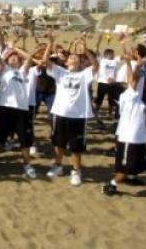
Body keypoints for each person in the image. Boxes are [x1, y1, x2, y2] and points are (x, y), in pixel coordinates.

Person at [43, 33, 99, 186]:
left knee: (76, 147)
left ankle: (76, 171)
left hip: (79, 115)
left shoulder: (84, 74)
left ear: (80, 63)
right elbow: (45, 61)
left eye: (77, 58)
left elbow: (95, 65)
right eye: (71, 58)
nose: (74, 59)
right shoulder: (60, 72)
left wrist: (86, 50)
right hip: (61, 113)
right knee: (59, 143)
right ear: (66, 62)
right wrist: (51, 43)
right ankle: (58, 166)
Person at [103, 45, 146, 196]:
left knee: (137, 161)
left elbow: (133, 78)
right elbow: (133, 79)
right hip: (130, 135)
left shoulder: (131, 93)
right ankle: (112, 184)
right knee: (127, 163)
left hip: (136, 133)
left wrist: (133, 62)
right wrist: (133, 62)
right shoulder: (130, 95)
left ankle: (131, 177)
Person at [0, 42, 37, 179]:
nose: (14, 58)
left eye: (16, 57)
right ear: (7, 60)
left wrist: (15, 49)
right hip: (5, 108)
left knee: (25, 140)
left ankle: (27, 165)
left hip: (21, 110)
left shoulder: (22, 72)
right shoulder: (5, 69)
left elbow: (29, 59)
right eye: (11, 57)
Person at [94, 35, 120, 119]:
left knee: (111, 100)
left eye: (112, 54)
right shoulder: (102, 60)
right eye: (110, 54)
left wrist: (123, 43)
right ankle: (96, 113)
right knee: (99, 99)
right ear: (105, 55)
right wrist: (99, 40)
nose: (111, 55)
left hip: (112, 83)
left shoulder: (115, 61)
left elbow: (124, 57)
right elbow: (96, 49)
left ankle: (110, 115)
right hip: (102, 83)